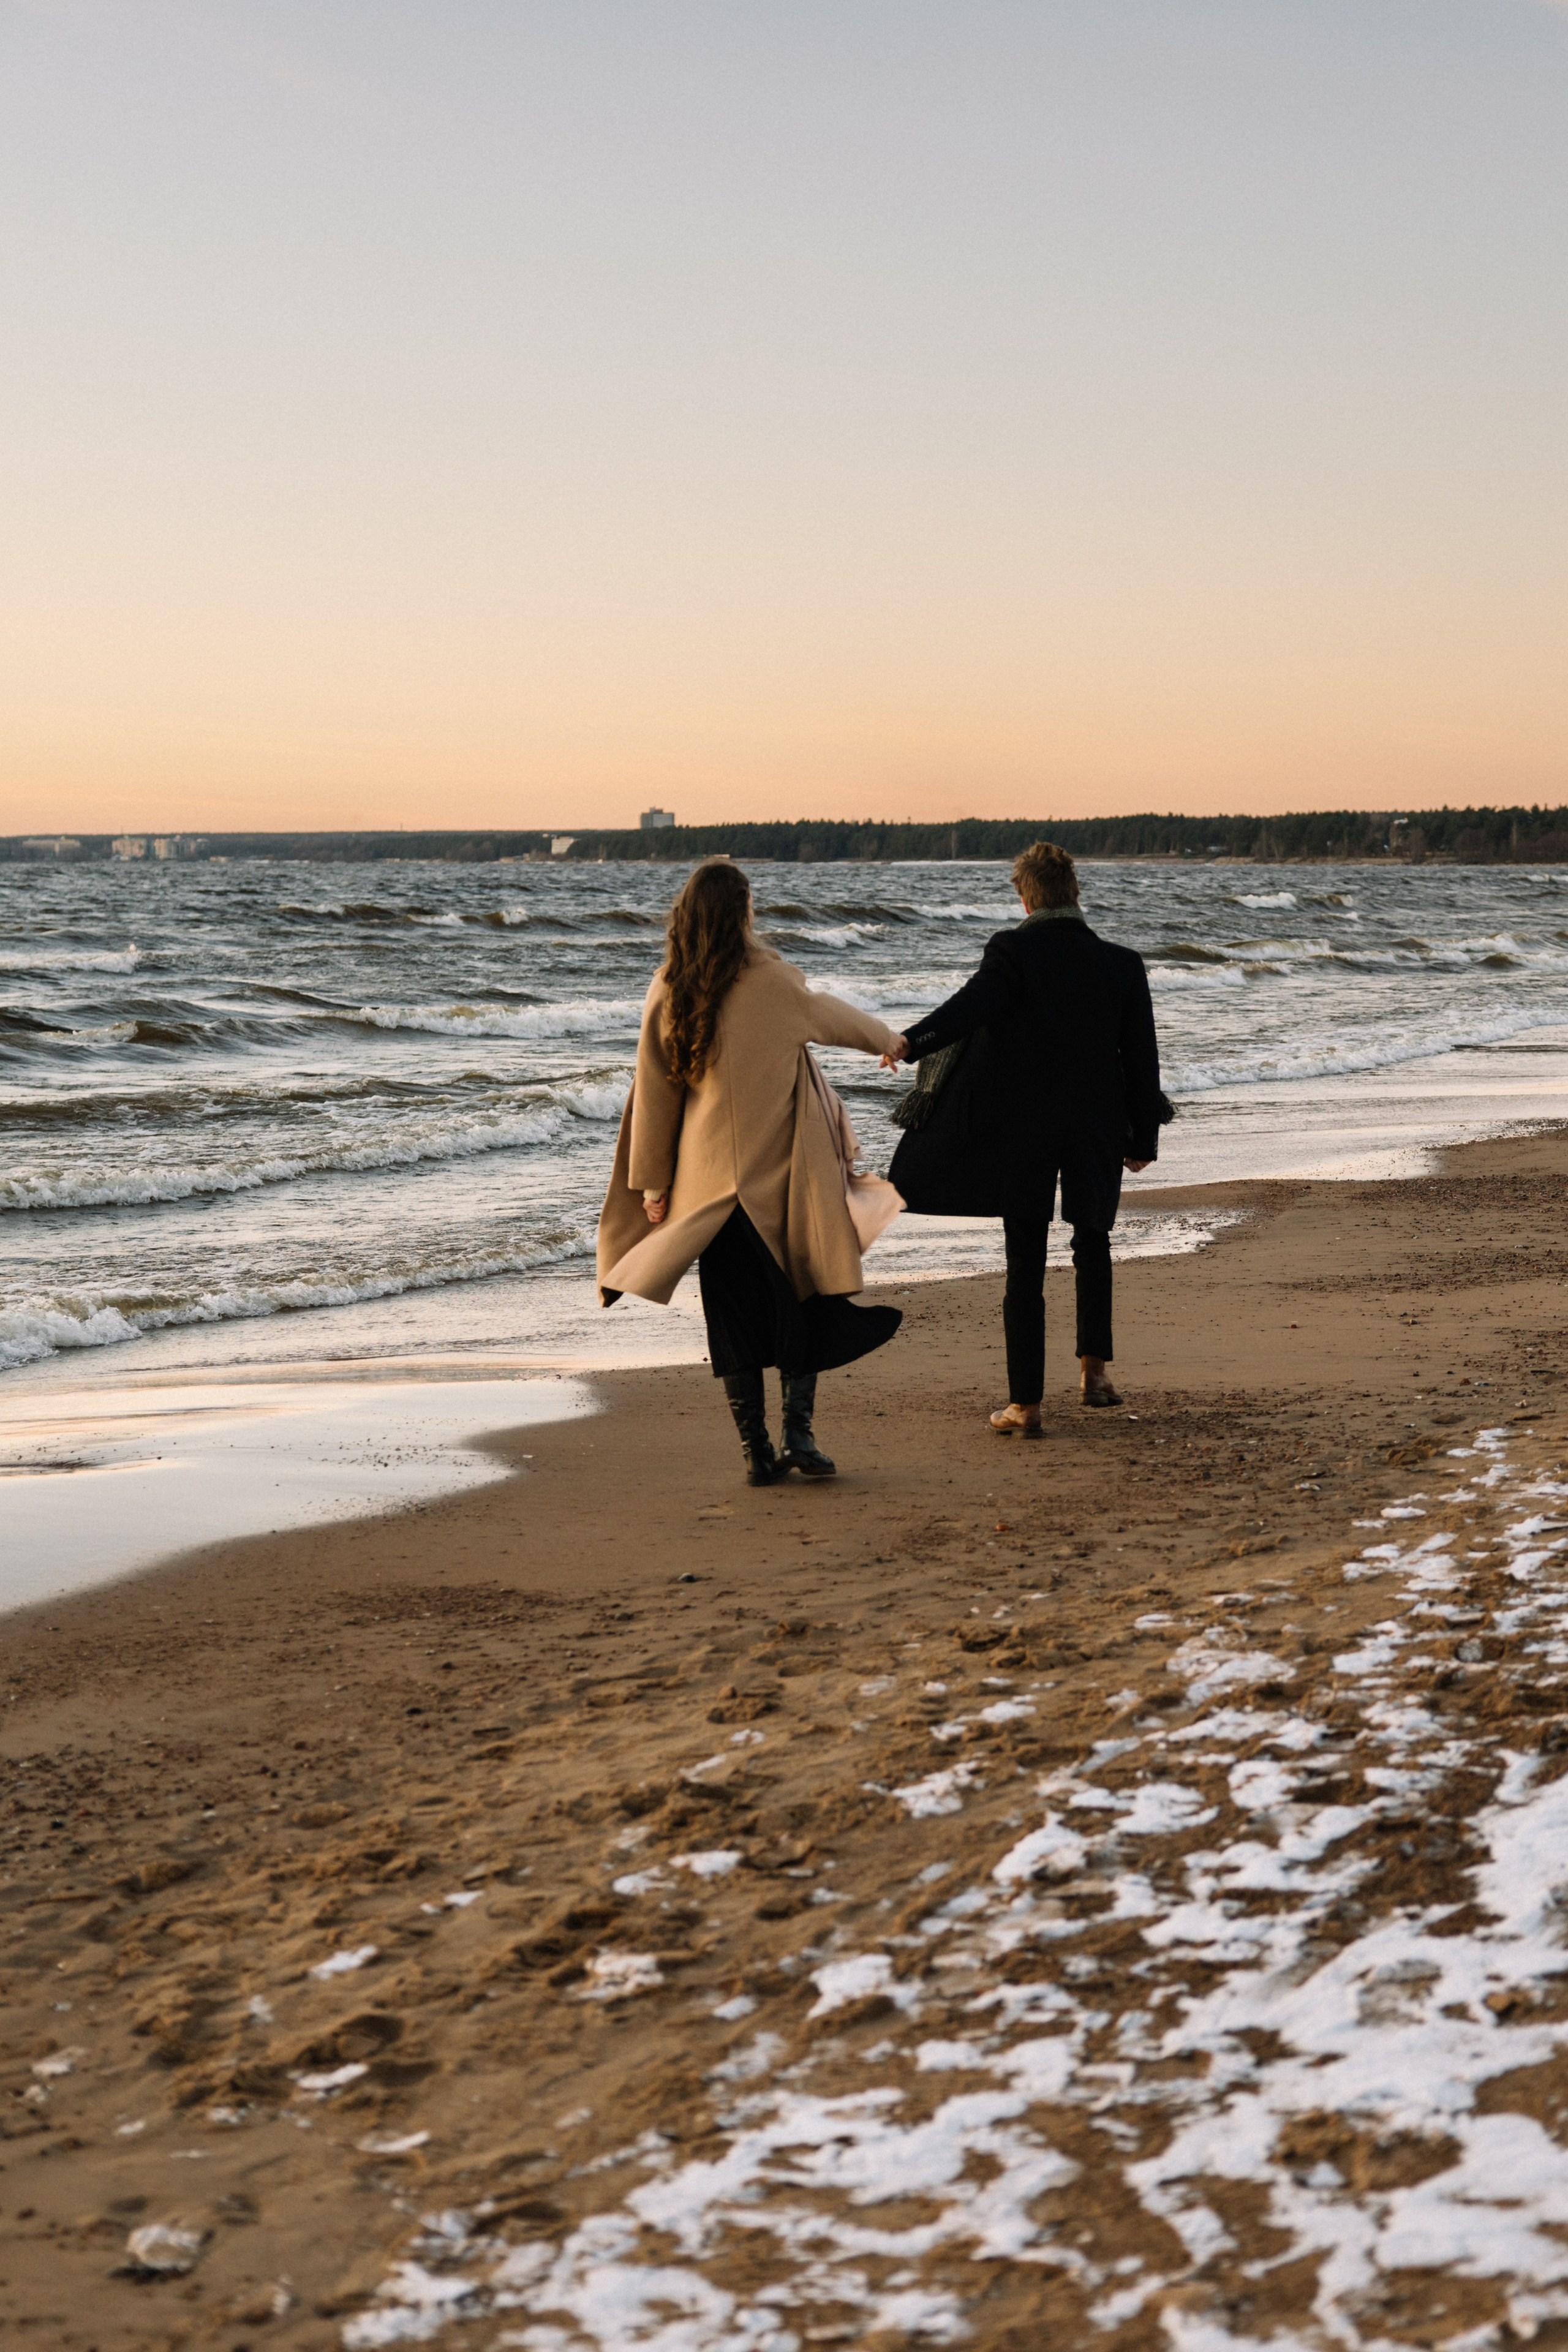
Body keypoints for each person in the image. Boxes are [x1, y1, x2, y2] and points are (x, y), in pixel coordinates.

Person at [597, 859, 903, 1484]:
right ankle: (799, 1436)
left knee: (732, 1320)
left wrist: (653, 1184)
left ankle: (755, 1451)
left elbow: (655, 1092)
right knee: (802, 1301)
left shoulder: (670, 988)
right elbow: (830, 1016)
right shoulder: (776, 982)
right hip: (782, 1187)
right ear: (743, 914)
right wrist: (887, 1040)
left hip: (708, 1192)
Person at [883, 841, 1163, 1436]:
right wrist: (1142, 1138)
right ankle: (1095, 1375)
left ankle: (1026, 1406)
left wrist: (911, 1042)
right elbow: (1141, 1061)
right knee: (1093, 1241)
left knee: (1025, 1261)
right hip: (1096, 1123)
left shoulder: (1012, 950)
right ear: (1074, 894)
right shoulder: (1121, 963)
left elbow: (971, 1007)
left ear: (1023, 896)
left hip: (1024, 1128)